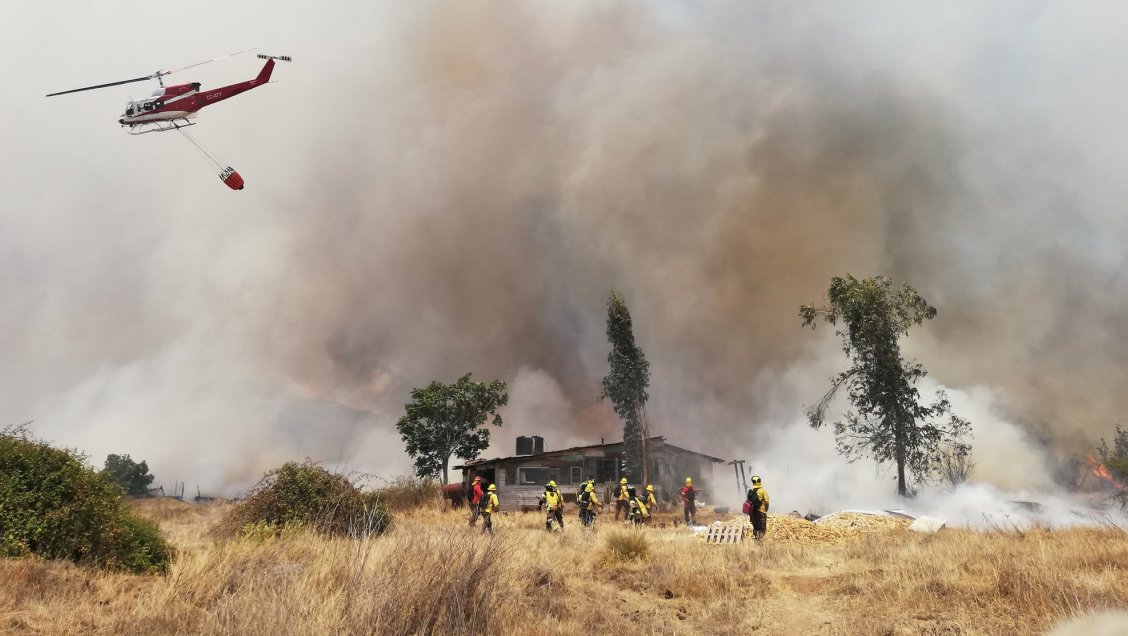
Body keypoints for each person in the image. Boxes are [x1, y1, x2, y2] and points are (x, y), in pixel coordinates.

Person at [747, 475, 769, 542]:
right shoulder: (763, 491)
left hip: (753, 513)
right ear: (759, 481)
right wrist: (766, 509)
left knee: (755, 527)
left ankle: (756, 540)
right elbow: (766, 502)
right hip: (761, 512)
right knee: (762, 528)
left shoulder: (751, 491)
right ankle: (760, 542)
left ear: (753, 482)